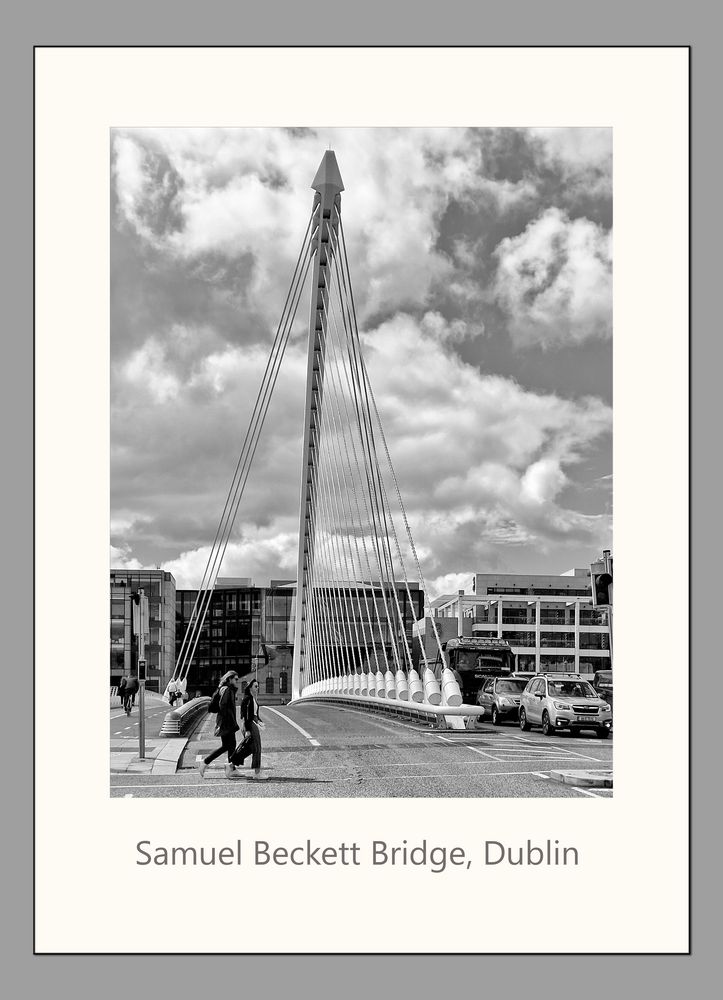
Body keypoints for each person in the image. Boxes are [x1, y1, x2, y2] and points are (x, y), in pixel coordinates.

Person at [198, 671, 239, 779]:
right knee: (227, 746)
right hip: (226, 722)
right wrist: (229, 721)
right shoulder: (227, 689)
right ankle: (205, 762)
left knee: (231, 745)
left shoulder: (225, 688)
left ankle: (232, 769)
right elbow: (223, 705)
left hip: (227, 721)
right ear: (230, 679)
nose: (237, 681)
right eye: (235, 679)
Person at [240, 678, 267, 780]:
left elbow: (255, 714)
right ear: (250, 687)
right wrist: (247, 730)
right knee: (257, 748)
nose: (257, 688)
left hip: (253, 724)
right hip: (250, 725)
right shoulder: (248, 698)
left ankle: (231, 764)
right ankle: (257, 773)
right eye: (255, 686)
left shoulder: (253, 698)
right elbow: (246, 715)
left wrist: (260, 721)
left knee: (249, 748)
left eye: (258, 686)